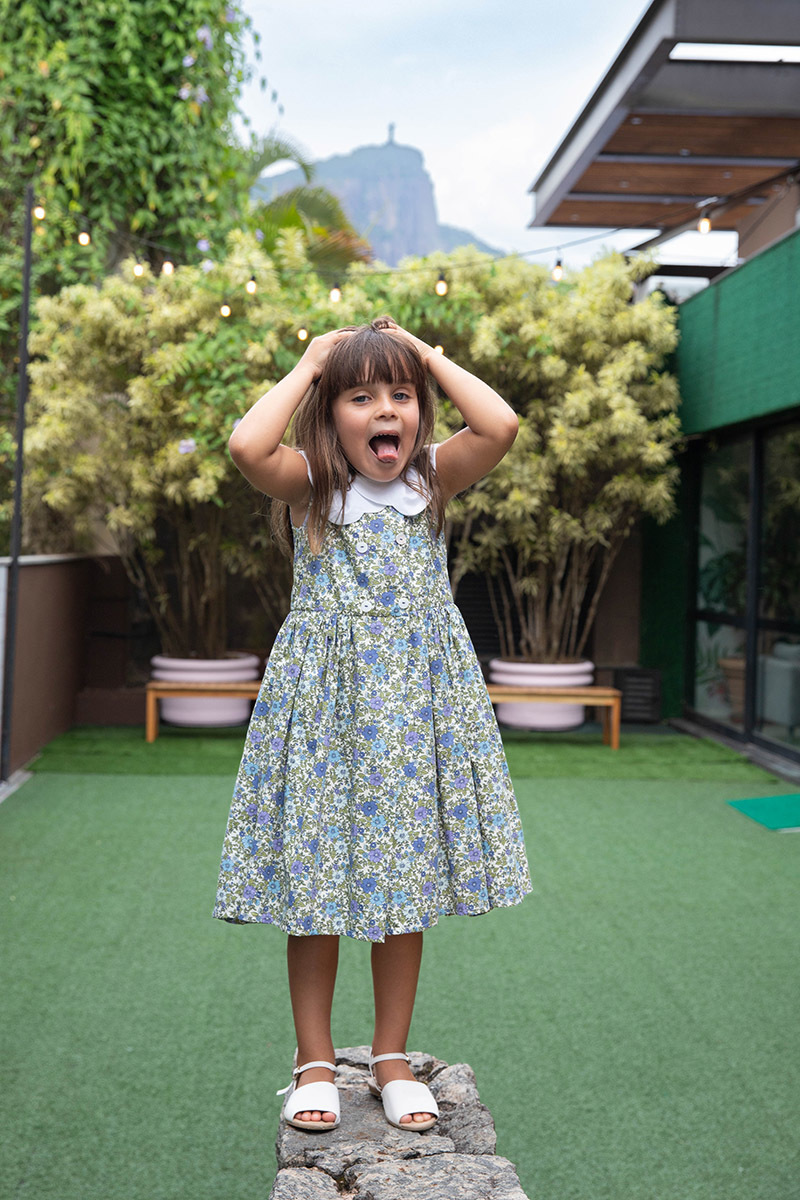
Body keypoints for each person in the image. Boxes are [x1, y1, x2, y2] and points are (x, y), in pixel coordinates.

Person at [213, 316, 531, 1133]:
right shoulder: (313, 486)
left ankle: (391, 1056)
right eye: (361, 396)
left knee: (404, 889)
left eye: (401, 396)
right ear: (329, 411)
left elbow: (499, 424)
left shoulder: (432, 480)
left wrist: (427, 355)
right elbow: (248, 447)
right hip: (326, 712)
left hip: (413, 713)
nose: (386, 410)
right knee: (317, 891)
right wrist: (312, 360)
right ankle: (313, 1057)